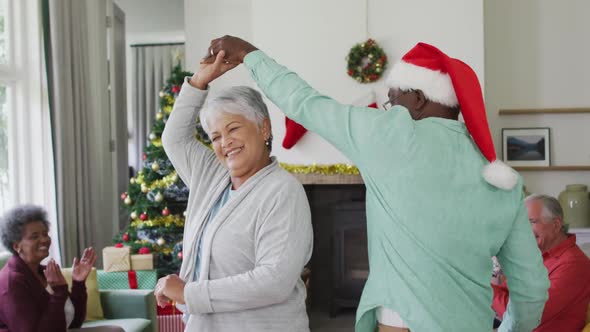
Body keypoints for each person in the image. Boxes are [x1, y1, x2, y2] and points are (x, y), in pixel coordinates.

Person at [203, 36, 550, 331]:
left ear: (418, 97)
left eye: (393, 99)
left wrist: (251, 54)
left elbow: (305, 102)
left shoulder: (391, 135)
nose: (389, 107)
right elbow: (532, 288)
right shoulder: (500, 177)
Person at [155, 50, 313, 331]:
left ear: (263, 128)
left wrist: (188, 293)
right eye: (216, 136)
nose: (225, 142)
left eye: (233, 129)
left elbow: (273, 281)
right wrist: (200, 81)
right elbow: (174, 139)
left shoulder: (283, 192)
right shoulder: (211, 175)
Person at [0, 205, 121, 332]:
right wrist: (58, 293)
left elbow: (74, 322)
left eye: (45, 234)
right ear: (16, 246)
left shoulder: (45, 272)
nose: (44, 240)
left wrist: (78, 283)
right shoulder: (11, 283)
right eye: (34, 236)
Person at [492, 194, 590, 331]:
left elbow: (525, 317)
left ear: (556, 225)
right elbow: (508, 295)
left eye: (530, 222)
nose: (522, 231)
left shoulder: (574, 264)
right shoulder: (535, 257)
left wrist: (487, 290)